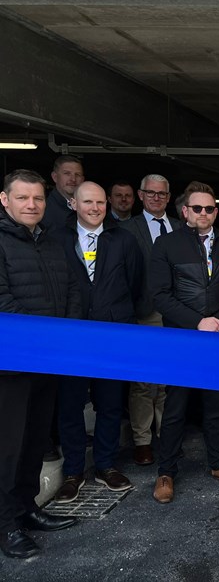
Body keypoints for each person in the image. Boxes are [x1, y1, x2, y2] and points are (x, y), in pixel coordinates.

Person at [150, 182, 219, 504]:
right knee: (176, 407)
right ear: (185, 211)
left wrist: (216, 321)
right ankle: (166, 472)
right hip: (182, 339)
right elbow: (160, 294)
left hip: (218, 338)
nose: (203, 213)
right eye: (197, 208)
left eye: (209, 208)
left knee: (215, 406)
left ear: (216, 212)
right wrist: (197, 322)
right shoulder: (166, 244)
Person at [0, 169, 81, 559]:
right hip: (10, 366)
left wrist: (62, 338)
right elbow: (3, 303)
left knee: (34, 442)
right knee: (8, 449)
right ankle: (6, 525)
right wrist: (45, 339)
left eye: (37, 199)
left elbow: (69, 291)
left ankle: (26, 508)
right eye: (22, 198)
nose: (31, 205)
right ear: (5, 200)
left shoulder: (49, 243)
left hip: (46, 362)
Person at [52, 182, 143, 504]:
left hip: (112, 336)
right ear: (73, 204)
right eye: (88, 202)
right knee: (71, 405)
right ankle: (74, 472)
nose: (95, 208)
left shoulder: (123, 240)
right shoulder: (57, 239)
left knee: (109, 403)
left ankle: (106, 464)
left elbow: (135, 283)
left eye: (100, 202)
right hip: (72, 336)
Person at [119, 174, 180, 466]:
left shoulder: (181, 228)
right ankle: (142, 440)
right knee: (143, 381)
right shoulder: (126, 229)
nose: (156, 198)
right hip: (144, 313)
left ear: (169, 197)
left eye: (162, 194)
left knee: (169, 380)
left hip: (177, 314)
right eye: (151, 193)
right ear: (141, 196)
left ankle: (165, 436)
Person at [42, 155, 85, 230]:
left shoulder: (91, 206)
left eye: (77, 174)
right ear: (55, 177)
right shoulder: (43, 209)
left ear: (83, 179)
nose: (73, 179)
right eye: (67, 173)